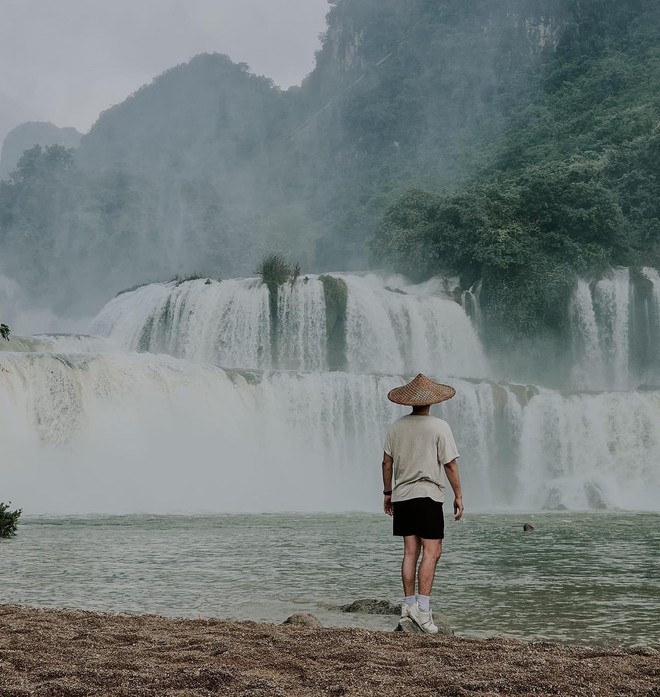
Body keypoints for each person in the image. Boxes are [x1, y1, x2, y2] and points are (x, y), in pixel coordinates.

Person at [381, 373, 464, 633]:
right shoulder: (440, 426)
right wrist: (458, 495)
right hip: (428, 495)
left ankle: (408, 605)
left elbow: (386, 462)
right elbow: (450, 464)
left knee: (409, 552)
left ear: (409, 403)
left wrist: (387, 493)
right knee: (433, 552)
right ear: (432, 402)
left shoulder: (396, 427)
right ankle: (424, 611)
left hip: (403, 496)